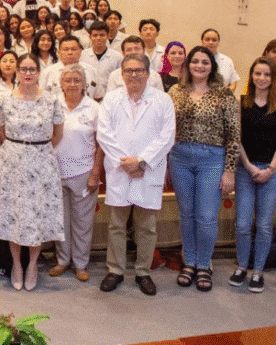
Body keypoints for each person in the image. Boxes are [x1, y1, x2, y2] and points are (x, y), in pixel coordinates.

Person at [0, 53, 64, 291]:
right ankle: (17, 264)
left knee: (36, 215)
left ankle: (33, 264)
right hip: (12, 163)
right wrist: (12, 152)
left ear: (39, 72)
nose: (27, 73)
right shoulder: (4, 100)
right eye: (23, 69)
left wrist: (39, 149)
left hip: (41, 163)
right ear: (16, 72)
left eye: (32, 69)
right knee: (13, 215)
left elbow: (58, 134)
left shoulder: (51, 100)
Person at [97, 54, 176, 296]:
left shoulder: (162, 100)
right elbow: (104, 134)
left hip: (147, 171)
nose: (133, 75)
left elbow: (167, 136)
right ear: (121, 74)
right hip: (121, 171)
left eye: (139, 70)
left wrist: (141, 162)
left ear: (148, 73)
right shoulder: (111, 99)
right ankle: (116, 270)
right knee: (117, 225)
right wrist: (126, 163)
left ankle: (143, 272)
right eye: (129, 70)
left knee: (147, 226)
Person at [168, 46, 239, 292]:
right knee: (187, 215)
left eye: (205, 62)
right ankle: (190, 262)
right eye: (195, 61)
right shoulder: (175, 91)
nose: (200, 65)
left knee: (207, 217)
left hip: (212, 159)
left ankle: (204, 264)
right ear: (188, 65)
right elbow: (165, 128)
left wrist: (230, 171)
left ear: (212, 67)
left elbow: (233, 135)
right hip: (180, 158)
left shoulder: (224, 94)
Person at [49, 65, 102, 283]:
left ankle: (80, 264)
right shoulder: (53, 104)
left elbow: (101, 143)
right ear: (61, 83)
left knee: (82, 222)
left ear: (84, 84)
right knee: (60, 220)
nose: (72, 84)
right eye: (68, 80)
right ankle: (63, 261)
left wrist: (95, 172)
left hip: (83, 171)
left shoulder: (94, 108)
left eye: (77, 80)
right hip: (54, 171)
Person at [229, 57, 276, 293]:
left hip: (271, 172)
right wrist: (248, 166)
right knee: (244, 224)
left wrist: (270, 169)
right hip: (245, 170)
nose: (262, 78)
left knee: (265, 225)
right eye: (258, 73)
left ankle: (258, 271)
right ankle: (242, 266)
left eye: (267, 74)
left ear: (273, 77)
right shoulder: (242, 102)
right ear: (251, 75)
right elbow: (237, 138)